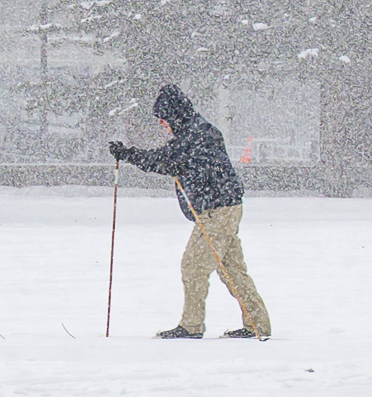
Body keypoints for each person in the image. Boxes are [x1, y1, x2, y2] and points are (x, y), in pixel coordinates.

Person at [110, 83, 272, 340]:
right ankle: (257, 324)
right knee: (231, 270)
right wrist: (132, 154)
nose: (162, 124)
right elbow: (169, 159)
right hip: (222, 208)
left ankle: (192, 326)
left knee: (194, 266)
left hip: (217, 211)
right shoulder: (193, 133)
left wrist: (129, 155)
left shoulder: (197, 136)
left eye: (163, 119)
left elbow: (165, 161)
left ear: (174, 114)